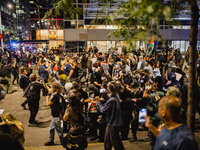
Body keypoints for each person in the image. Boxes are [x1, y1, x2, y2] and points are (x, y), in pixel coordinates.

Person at [96, 81, 125, 150]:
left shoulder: (112, 100)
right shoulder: (116, 95)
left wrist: (98, 102)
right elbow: (110, 98)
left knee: (116, 141)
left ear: (110, 89)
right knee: (107, 139)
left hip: (113, 123)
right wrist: (106, 96)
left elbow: (103, 110)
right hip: (112, 122)